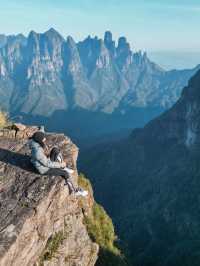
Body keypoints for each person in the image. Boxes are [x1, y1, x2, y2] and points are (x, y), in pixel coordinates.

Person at [30, 131, 88, 197]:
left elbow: (39, 135)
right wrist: (60, 164)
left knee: (55, 150)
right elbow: (47, 164)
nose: (45, 139)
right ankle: (75, 191)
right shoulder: (37, 152)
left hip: (44, 161)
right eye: (43, 138)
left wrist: (41, 128)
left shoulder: (36, 143)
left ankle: (63, 167)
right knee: (65, 173)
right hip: (44, 169)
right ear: (39, 140)